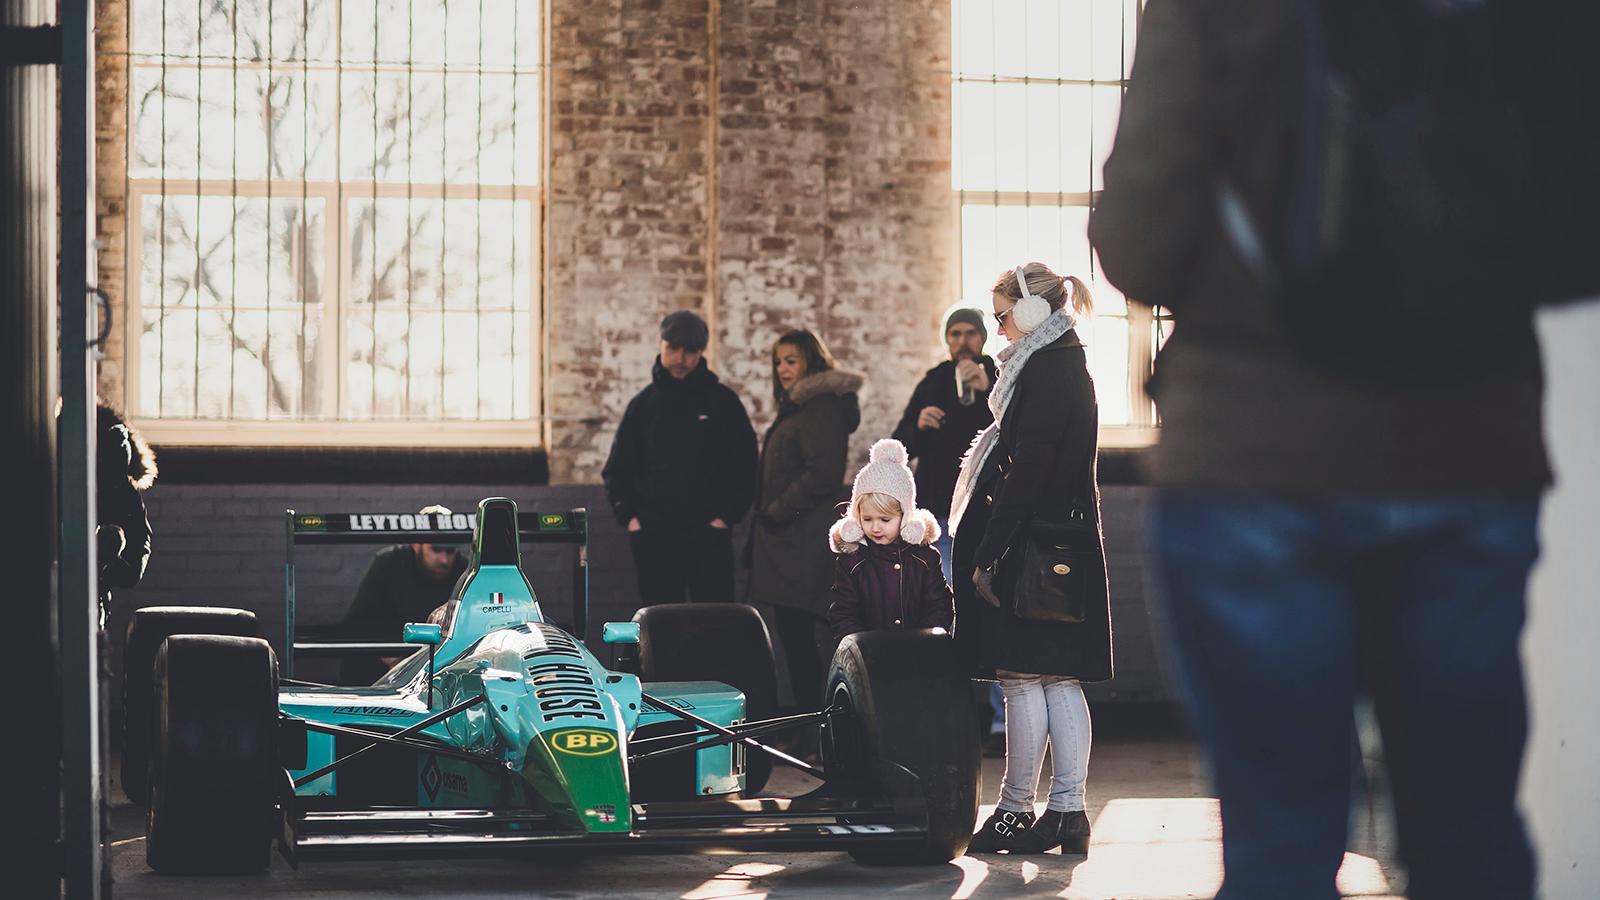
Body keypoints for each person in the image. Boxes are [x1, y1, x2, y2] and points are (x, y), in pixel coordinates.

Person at [1088, 2, 1576, 897]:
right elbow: (1578, 229)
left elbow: (1137, 243)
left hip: (1259, 457)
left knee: (1282, 847)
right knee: (1469, 838)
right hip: (1468, 450)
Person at [951, 263, 1109, 855]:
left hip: (1029, 547)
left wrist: (991, 549)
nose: (997, 331)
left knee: (1023, 680)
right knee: (1056, 678)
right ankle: (1067, 812)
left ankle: (1017, 810)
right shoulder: (1060, 364)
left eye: (1001, 316)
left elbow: (1030, 468)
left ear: (1033, 311)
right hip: (1058, 543)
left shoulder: (1046, 371)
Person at [890, 308, 1006, 754]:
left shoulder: (999, 379)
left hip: (990, 518)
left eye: (970, 333)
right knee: (941, 612)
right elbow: (900, 444)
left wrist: (988, 394)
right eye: (954, 334)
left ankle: (1001, 724)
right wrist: (917, 427)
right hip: (940, 519)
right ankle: (946, 717)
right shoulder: (934, 381)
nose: (962, 341)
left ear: (981, 338)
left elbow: (1018, 434)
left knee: (993, 611)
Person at [603, 310, 758, 605]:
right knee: (660, 630)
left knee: (716, 626)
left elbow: (746, 466)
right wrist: (632, 520)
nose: (680, 358)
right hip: (653, 538)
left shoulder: (723, 403)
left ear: (701, 353)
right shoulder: (643, 404)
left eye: (690, 351)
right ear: (661, 345)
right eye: (673, 348)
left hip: (709, 539)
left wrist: (725, 519)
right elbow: (617, 469)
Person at [747, 329, 863, 724]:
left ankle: (820, 726)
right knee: (794, 635)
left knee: (804, 637)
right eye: (778, 361)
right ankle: (809, 726)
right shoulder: (799, 406)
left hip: (804, 542)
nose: (782, 368)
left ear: (811, 361)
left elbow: (824, 474)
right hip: (790, 542)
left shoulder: (821, 407)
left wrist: (778, 510)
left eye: (791, 360)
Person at [826, 438, 953, 639]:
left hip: (918, 657)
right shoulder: (852, 561)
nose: (875, 528)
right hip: (870, 660)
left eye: (885, 519)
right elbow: (844, 612)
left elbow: (939, 606)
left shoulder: (925, 559)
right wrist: (862, 646)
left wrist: (923, 640)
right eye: (867, 519)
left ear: (905, 516)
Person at [339, 504, 469, 683]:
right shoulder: (387, 563)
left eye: (450, 551)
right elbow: (355, 622)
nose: (444, 559)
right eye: (436, 549)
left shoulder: (464, 571)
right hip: (384, 665)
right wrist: (387, 654)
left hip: (443, 667)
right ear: (416, 544)